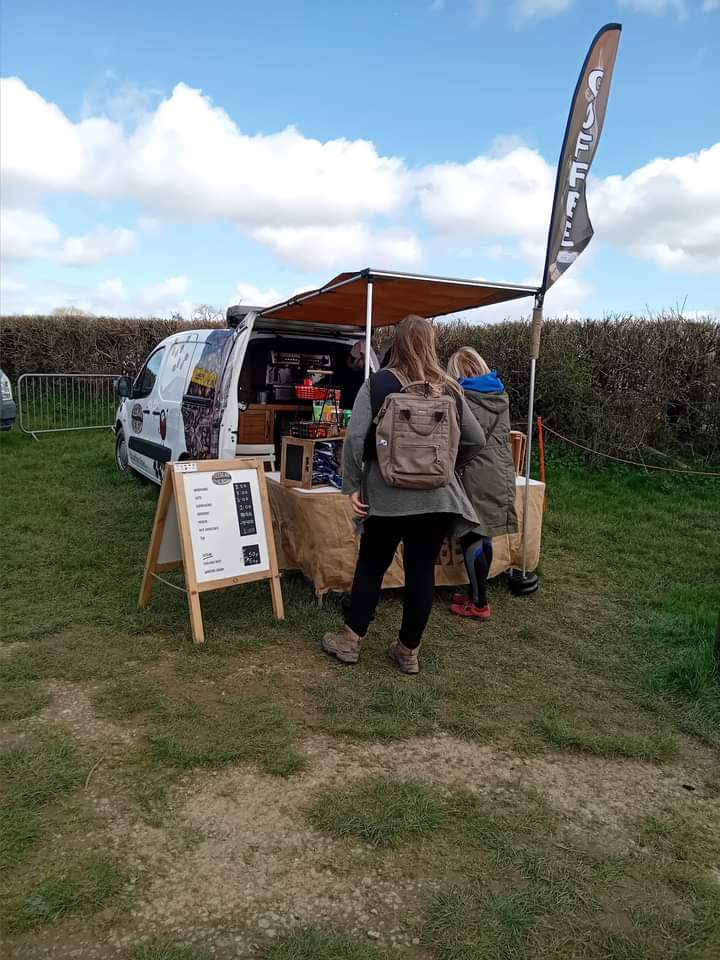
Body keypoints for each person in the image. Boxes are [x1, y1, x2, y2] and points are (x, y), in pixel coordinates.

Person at [322, 316, 485, 674]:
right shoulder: (450, 388)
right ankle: (408, 651)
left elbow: (353, 439)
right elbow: (477, 440)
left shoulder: (379, 384)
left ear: (395, 342)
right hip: (438, 500)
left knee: (371, 566)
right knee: (421, 572)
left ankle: (350, 641)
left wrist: (351, 485)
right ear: (432, 343)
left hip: (386, 496)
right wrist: (446, 468)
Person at [446, 347, 518, 621]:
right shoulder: (498, 393)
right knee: (483, 535)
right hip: (499, 472)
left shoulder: (465, 399)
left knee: (472, 536)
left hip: (475, 474)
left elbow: (464, 440)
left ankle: (479, 603)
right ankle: (476, 592)